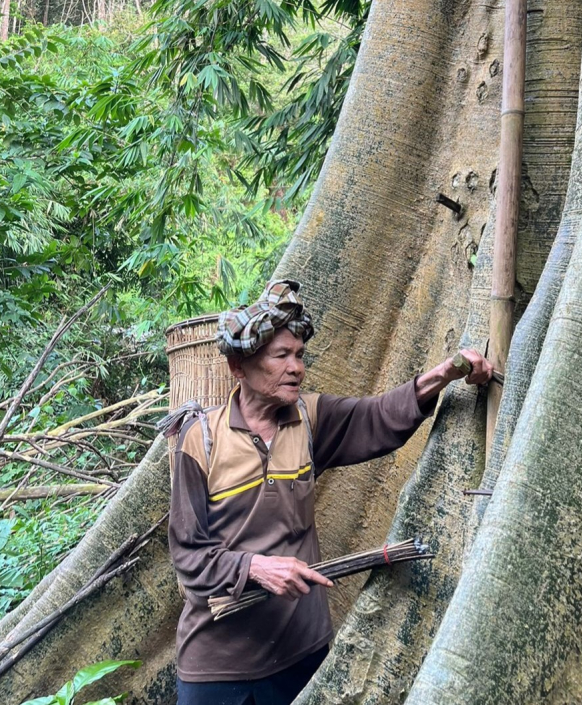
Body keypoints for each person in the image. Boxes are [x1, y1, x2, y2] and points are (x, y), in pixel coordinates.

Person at [168, 279, 492, 705]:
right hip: (216, 664)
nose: (296, 367)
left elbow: (379, 417)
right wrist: (255, 568)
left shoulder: (310, 419)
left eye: (300, 355)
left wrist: (445, 374)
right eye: (281, 356)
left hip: (302, 653)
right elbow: (189, 556)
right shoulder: (200, 440)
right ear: (238, 367)